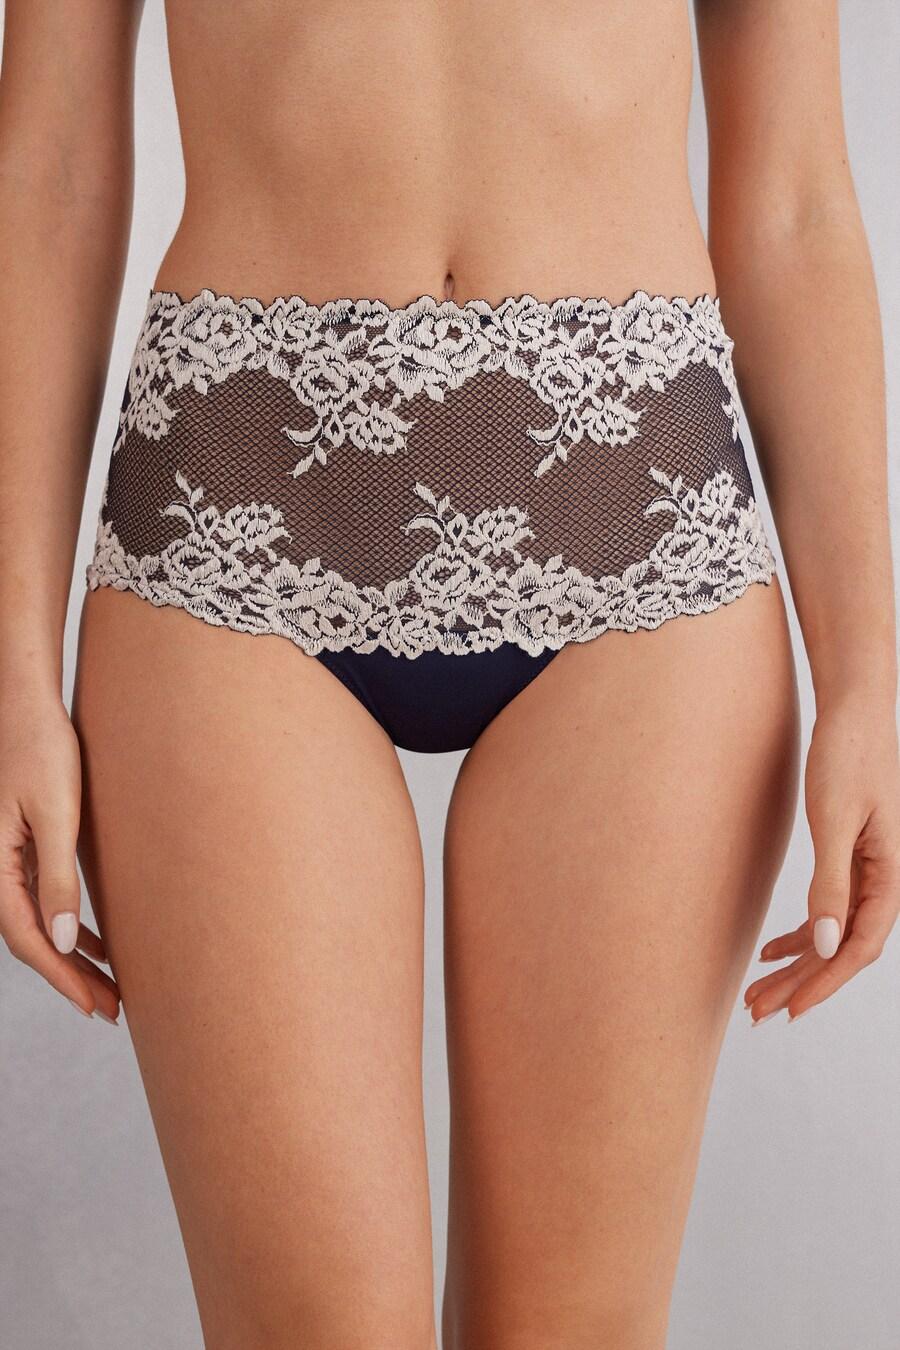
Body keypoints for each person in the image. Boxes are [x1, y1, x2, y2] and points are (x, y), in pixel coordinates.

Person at [1, 3, 897, 1347]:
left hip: (640, 538)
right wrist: (13, 674)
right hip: (233, 527)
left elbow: (796, 202)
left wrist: (869, 680)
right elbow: (53, 165)